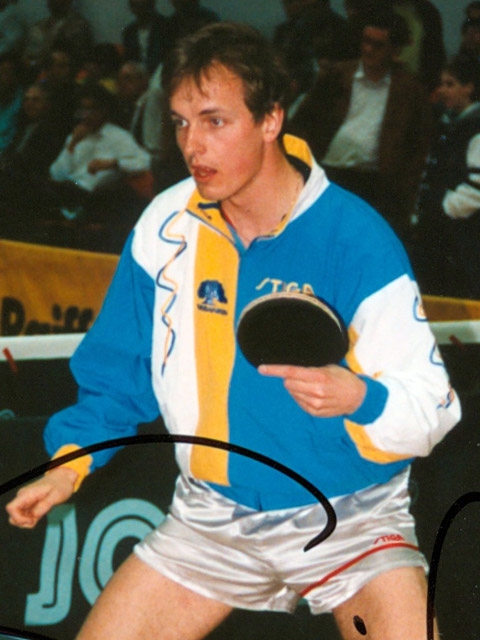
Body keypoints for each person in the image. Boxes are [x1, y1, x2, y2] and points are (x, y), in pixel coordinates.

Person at [6, 22, 460, 640]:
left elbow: (433, 406)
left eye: (215, 121)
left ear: (271, 119)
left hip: (353, 521)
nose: (193, 145)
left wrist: (360, 397)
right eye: (180, 123)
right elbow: (117, 374)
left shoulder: (356, 238)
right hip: (210, 522)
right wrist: (69, 467)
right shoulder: (165, 225)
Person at [288, 8, 433, 243]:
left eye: (378, 45)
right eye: (366, 41)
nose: (368, 49)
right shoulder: (338, 76)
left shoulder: (409, 90)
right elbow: (304, 122)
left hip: (375, 183)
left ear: (395, 50)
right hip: (330, 172)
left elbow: (418, 146)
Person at [413, 55, 480, 300]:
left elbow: (476, 188)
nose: (442, 90)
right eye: (441, 83)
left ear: (469, 87)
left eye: (450, 84)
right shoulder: (447, 123)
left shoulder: (476, 129)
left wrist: (445, 208)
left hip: (462, 236)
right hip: (437, 231)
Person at [22, 0, 94, 80]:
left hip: (58, 76)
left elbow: (72, 59)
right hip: (33, 73)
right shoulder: (39, 26)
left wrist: (35, 63)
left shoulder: (77, 25)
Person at [122, 0, 171, 75]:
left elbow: (166, 59)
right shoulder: (129, 32)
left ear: (152, 3)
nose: (139, 9)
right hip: (136, 78)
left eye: (142, 5)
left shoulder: (166, 27)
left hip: (161, 75)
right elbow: (128, 59)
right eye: (135, 5)